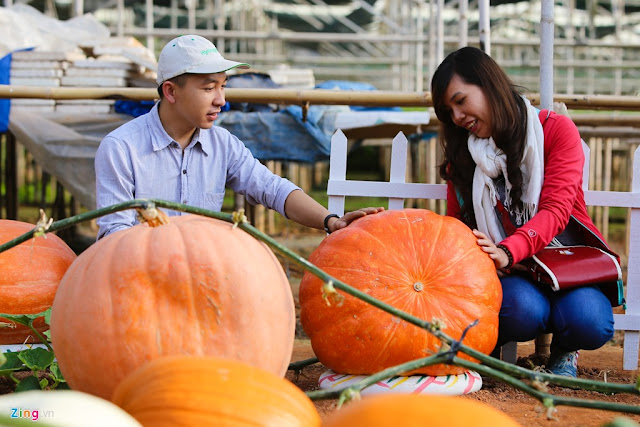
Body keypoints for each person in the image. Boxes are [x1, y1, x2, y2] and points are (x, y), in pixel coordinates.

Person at [430, 46, 614, 377]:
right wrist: (481, 260)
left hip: (564, 258)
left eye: (460, 101)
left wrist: (507, 249)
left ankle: (563, 349)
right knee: (519, 310)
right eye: (449, 110)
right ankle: (490, 349)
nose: (457, 116)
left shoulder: (555, 131)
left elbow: (557, 211)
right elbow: (457, 223)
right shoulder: (462, 153)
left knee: (591, 321)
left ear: (488, 85)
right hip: (509, 274)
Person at [95, 35, 382, 239]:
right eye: (209, 88)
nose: (221, 100)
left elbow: (272, 189)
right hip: (135, 280)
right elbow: (115, 236)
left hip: (200, 274)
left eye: (223, 86)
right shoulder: (121, 148)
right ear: (170, 91)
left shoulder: (223, 144)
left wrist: (331, 220)